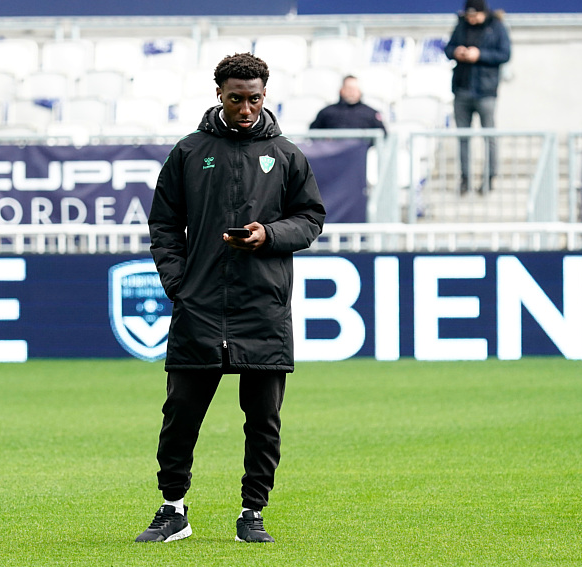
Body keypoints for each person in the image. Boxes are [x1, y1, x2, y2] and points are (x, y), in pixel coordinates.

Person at [137, 52, 326, 544]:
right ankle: (173, 509)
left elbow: (310, 219)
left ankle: (252, 514)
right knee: (179, 416)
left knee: (263, 420)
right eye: (237, 98)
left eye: (255, 99)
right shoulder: (189, 151)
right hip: (198, 308)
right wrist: (178, 285)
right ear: (219, 93)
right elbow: (163, 225)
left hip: (263, 308)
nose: (246, 108)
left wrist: (270, 234)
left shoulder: (286, 155)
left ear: (266, 96)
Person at [444, 0, 511, 195]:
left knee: (488, 136)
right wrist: (456, 52)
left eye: (475, 16)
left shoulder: (496, 26)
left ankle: (489, 178)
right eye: (469, 16)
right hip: (462, 89)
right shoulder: (461, 25)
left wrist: (479, 55)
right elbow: (448, 48)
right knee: (463, 138)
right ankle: (465, 178)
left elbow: (505, 54)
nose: (471, 20)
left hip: (485, 91)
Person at [309, 75, 387, 132]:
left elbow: (382, 135)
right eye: (349, 88)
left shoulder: (371, 113)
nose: (352, 92)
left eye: (355, 89)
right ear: (341, 90)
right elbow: (313, 133)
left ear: (360, 91)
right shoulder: (327, 112)